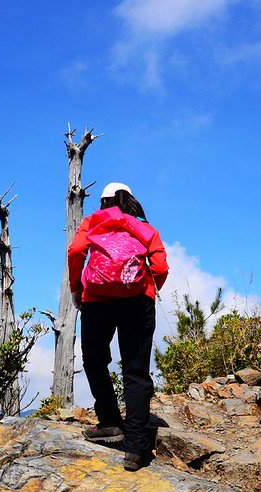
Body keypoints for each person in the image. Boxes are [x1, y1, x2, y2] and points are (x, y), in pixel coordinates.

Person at [67, 182, 169, 471]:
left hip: (96, 300)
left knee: (95, 360)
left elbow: (76, 252)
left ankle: (110, 422)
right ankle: (136, 448)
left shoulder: (92, 221)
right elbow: (160, 267)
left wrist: (77, 288)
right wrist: (149, 286)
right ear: (130, 200)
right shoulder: (142, 225)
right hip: (137, 301)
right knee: (136, 371)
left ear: (103, 202)